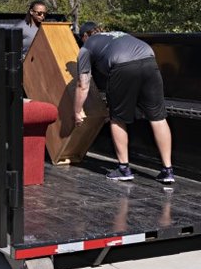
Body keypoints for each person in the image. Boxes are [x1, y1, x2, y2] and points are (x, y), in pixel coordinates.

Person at [73, 21, 174, 183]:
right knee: (158, 117)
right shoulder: (117, 34)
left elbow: (82, 85)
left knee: (117, 118)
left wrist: (77, 111)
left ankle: (123, 168)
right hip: (149, 61)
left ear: (85, 36)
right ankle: (168, 170)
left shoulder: (86, 47)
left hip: (122, 65)